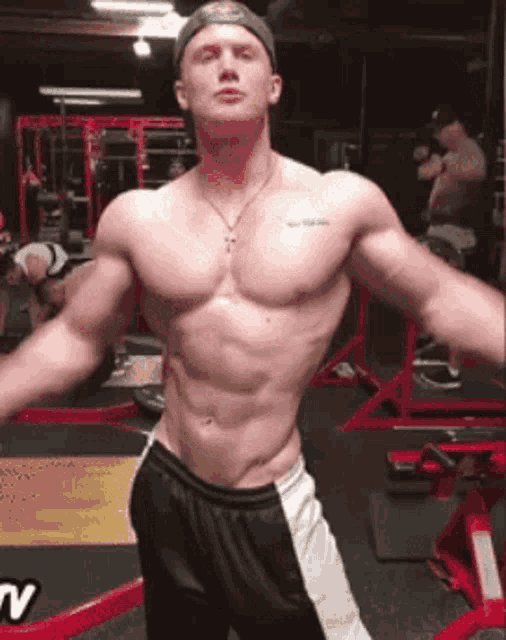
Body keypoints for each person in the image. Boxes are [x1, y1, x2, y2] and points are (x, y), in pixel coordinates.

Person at [0, 2, 504, 637]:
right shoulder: (137, 217)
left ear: (274, 86)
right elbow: (77, 338)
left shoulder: (338, 204)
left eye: (245, 54)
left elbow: (441, 299)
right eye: (207, 56)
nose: (227, 67)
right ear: (182, 91)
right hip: (166, 484)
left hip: (269, 503)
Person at [414, 105, 488, 389]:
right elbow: (427, 175)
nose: (437, 137)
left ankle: (453, 371)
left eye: (440, 132)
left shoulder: (470, 150)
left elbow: (478, 172)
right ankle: (434, 340)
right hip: (441, 232)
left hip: (456, 235)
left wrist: (443, 167)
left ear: (454, 128)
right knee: (431, 294)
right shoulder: (451, 153)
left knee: (453, 300)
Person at [0, 241, 71, 330]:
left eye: (11, 278)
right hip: (43, 256)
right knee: (34, 298)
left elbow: (44, 296)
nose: (11, 282)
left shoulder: (34, 270)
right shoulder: (17, 262)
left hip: (60, 264)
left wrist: (40, 315)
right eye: (8, 279)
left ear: (14, 270)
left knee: (48, 301)